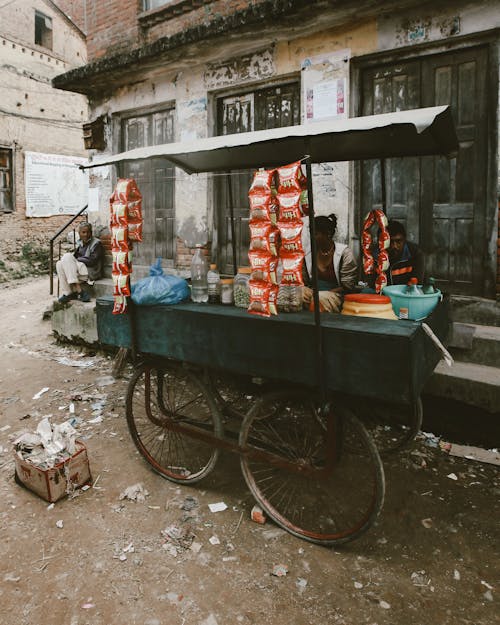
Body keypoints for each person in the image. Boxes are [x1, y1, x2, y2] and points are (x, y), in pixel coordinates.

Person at [303, 213, 358, 312]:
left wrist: (323, 293)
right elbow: (304, 281)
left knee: (320, 298)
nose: (312, 237)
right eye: (311, 233)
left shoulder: (344, 253)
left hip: (337, 295)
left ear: (327, 233)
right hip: (315, 292)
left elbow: (348, 287)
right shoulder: (308, 253)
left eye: (315, 234)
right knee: (297, 294)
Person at [56, 222, 103, 303]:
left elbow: (92, 261)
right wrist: (76, 260)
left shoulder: (96, 243)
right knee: (59, 263)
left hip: (91, 271)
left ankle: (78, 290)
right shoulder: (80, 243)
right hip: (80, 270)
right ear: (79, 233)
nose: (86, 234)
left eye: (88, 232)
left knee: (67, 256)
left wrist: (78, 259)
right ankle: (68, 293)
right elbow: (74, 258)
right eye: (83, 232)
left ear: (91, 233)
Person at [386, 220, 425, 286]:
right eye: (390, 242)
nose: (394, 246)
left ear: (404, 240)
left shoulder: (415, 254)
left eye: (398, 241)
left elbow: (417, 283)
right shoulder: (373, 256)